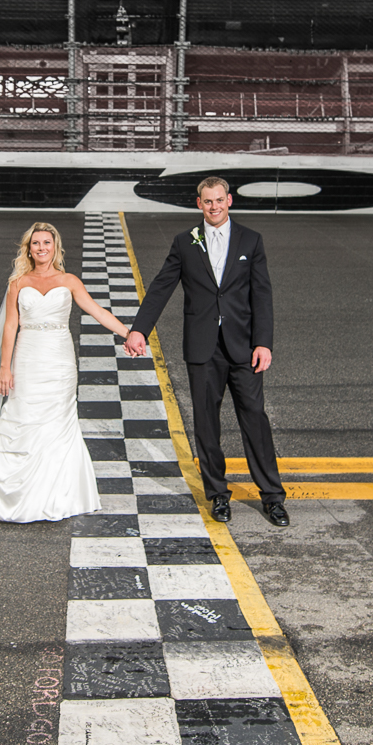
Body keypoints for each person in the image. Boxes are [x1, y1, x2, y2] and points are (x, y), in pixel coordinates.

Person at [0, 222, 133, 524]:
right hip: (28, 356)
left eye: (47, 242)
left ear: (55, 247)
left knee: (59, 421)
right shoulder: (17, 283)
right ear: (28, 249)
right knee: (22, 418)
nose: (41, 248)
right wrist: (5, 367)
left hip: (59, 361)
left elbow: (97, 311)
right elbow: (10, 327)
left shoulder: (69, 280)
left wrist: (128, 333)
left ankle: (59, 494)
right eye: (36, 243)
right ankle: (13, 495)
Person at [126, 177, 288, 526]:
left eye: (219, 200)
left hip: (244, 348)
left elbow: (262, 295)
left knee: (255, 420)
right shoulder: (185, 242)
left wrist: (263, 342)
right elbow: (161, 287)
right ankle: (218, 495)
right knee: (206, 425)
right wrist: (139, 329)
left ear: (229, 200)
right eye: (207, 201)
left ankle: (272, 497)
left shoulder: (251, 240)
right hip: (202, 349)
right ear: (198, 204)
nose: (214, 207)